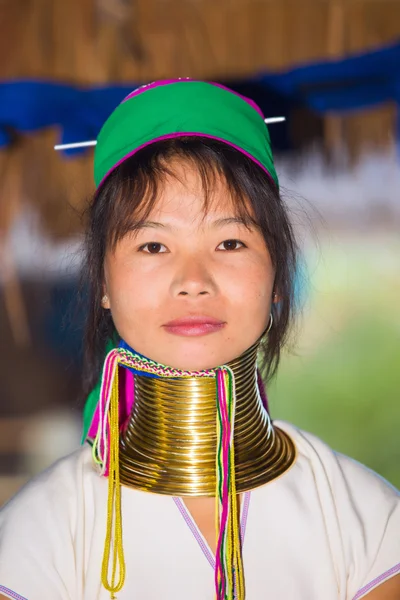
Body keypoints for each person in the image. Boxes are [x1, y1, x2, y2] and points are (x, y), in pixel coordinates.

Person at [0, 79, 399, 600]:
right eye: (153, 245)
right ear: (102, 283)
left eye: (230, 242)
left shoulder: (366, 520)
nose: (193, 279)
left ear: (278, 278)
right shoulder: (40, 534)